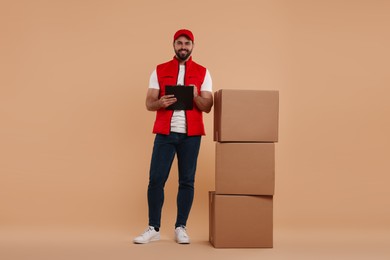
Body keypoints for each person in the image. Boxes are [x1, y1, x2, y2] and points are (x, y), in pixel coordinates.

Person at [133, 29, 213, 244]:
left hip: (191, 135)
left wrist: (196, 96)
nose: (183, 47)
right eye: (179, 43)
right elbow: (149, 103)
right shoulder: (159, 70)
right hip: (165, 134)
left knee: (187, 181)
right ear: (174, 45)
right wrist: (160, 103)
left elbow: (208, 106)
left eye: (187, 43)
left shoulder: (203, 72)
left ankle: (181, 227)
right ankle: (153, 228)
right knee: (156, 180)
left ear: (193, 45)